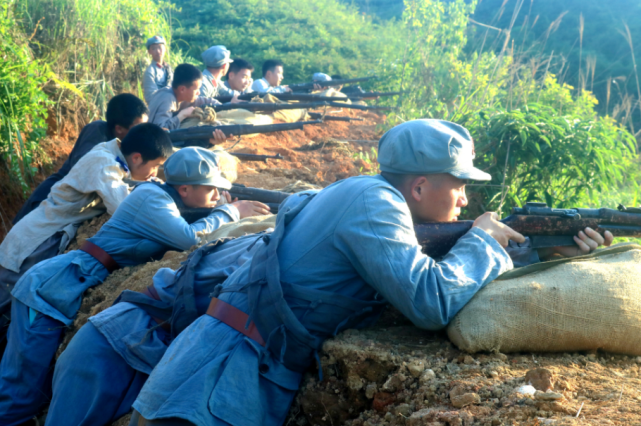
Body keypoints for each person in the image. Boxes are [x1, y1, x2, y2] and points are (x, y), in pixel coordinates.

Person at [127, 119, 612, 425]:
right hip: (223, 373)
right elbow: (429, 301)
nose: (465, 199)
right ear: (420, 186)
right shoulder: (375, 204)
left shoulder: (364, 193)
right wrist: (482, 240)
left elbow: (417, 268)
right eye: (460, 186)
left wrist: (547, 253)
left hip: (237, 360)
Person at [0, 145, 271, 426]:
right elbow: (190, 238)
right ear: (186, 190)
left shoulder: (164, 200)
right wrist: (230, 212)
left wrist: (216, 209)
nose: (216, 195)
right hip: (50, 289)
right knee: (19, 395)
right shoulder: (152, 197)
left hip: (61, 286)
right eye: (211, 189)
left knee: (32, 391)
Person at [0, 122, 171, 348]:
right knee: (8, 304)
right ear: (137, 158)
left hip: (43, 235)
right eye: (155, 166)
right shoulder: (104, 164)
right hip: (36, 241)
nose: (154, 173)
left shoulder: (114, 156)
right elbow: (123, 207)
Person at [12, 93, 149, 225]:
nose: (142, 134)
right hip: (49, 200)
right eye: (139, 128)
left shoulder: (122, 142)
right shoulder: (97, 131)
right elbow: (92, 169)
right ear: (119, 128)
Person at [147, 64, 226, 132]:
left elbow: (204, 100)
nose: (199, 92)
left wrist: (226, 106)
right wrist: (183, 114)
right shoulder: (167, 99)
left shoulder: (181, 95)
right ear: (182, 89)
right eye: (196, 89)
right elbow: (161, 131)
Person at [142, 36, 173, 104]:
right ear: (149, 52)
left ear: (165, 49)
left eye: (160, 47)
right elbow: (151, 97)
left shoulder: (169, 69)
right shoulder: (150, 71)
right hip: (159, 109)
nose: (158, 51)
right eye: (154, 48)